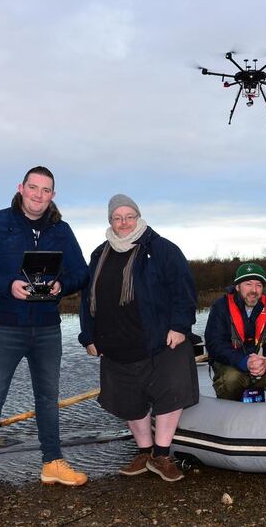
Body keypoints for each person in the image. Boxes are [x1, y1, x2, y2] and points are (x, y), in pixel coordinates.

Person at [0, 166, 90, 507]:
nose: (38, 195)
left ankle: (52, 463)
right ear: (21, 188)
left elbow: (82, 272)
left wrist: (61, 285)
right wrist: (6, 285)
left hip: (48, 327)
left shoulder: (61, 231)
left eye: (46, 189)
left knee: (47, 398)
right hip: (4, 326)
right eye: (33, 187)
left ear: (53, 195)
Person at [79, 194, 198, 483]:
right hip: (116, 343)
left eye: (129, 216)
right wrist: (88, 335)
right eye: (117, 217)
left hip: (162, 340)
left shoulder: (162, 249)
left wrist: (180, 326)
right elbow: (87, 299)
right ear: (110, 220)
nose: (124, 222)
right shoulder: (99, 254)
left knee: (170, 394)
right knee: (129, 400)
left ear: (139, 217)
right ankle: (145, 453)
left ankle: (162, 454)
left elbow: (184, 291)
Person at [204, 262, 266, 401]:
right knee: (230, 379)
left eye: (259, 285)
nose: (254, 290)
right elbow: (215, 344)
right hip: (234, 365)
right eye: (248, 284)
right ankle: (231, 414)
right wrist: (244, 362)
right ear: (237, 286)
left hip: (264, 366)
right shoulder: (221, 306)